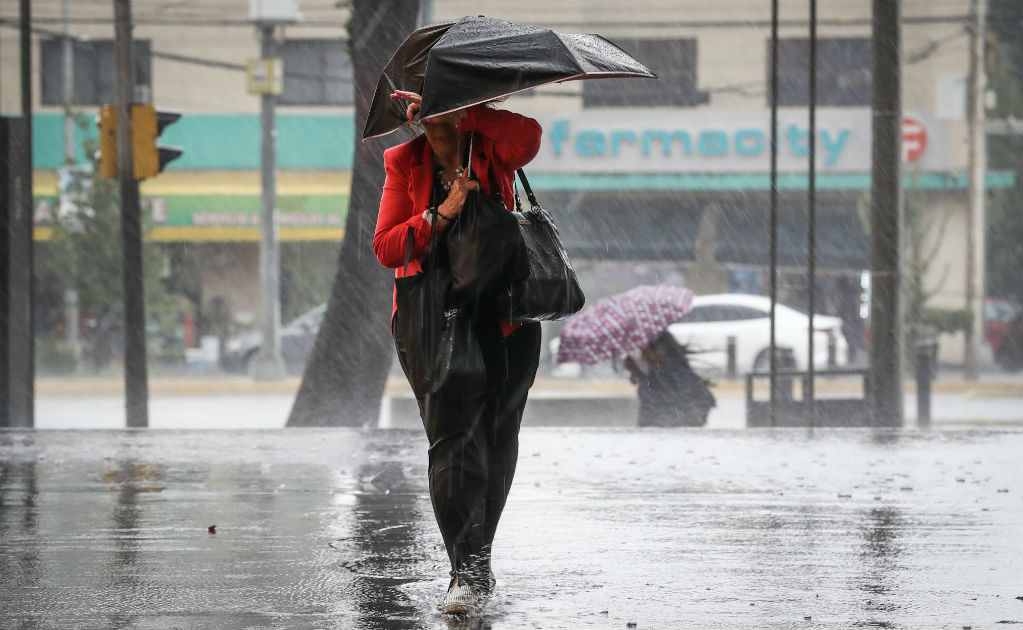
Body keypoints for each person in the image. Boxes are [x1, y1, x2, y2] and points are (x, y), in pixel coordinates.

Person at [373, 89, 543, 615]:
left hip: (507, 316)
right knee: (452, 444)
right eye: (428, 116)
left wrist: (466, 111)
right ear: (414, 117)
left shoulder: (492, 147)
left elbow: (530, 135)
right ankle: (464, 573)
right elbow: (386, 246)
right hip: (433, 319)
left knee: (496, 441)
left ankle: (479, 558)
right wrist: (440, 214)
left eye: (444, 111)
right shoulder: (404, 161)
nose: (436, 126)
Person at [624, 331, 716, 427]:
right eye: (643, 351)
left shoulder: (677, 372)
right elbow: (654, 389)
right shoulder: (657, 370)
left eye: (649, 350)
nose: (645, 355)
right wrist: (635, 371)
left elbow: (662, 392)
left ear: (663, 350)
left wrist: (693, 415)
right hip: (653, 428)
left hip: (669, 429)